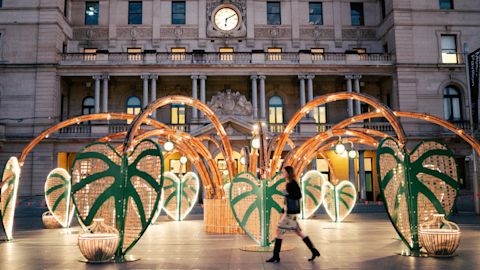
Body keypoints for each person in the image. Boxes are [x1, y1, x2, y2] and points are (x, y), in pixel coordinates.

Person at [266, 165, 320, 263]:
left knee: (279, 231)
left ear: (288, 173)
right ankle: (313, 250)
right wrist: (284, 206)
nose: (283, 173)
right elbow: (290, 198)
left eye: (284, 172)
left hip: (290, 214)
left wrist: (287, 193)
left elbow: (298, 195)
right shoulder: (290, 183)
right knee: (298, 232)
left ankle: (276, 256)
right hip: (290, 213)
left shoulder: (292, 183)